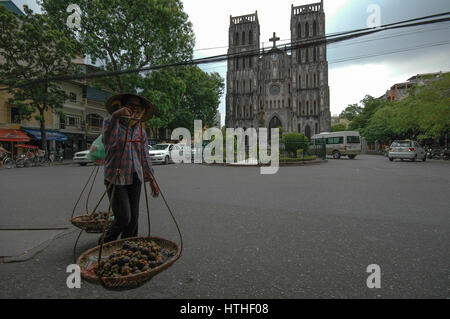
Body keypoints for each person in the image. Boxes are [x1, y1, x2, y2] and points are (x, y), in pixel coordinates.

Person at [100, 93, 160, 244]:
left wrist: (151, 179)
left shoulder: (140, 130)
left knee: (133, 220)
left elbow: (144, 156)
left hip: (135, 177)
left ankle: (128, 248)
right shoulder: (111, 122)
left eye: (138, 107)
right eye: (131, 105)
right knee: (124, 218)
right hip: (116, 177)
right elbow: (108, 141)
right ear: (123, 107)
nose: (135, 109)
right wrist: (116, 116)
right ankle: (105, 243)